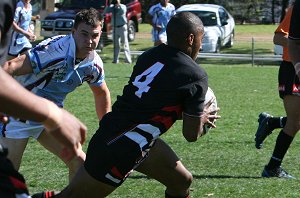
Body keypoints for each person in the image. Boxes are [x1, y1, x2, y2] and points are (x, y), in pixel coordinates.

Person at [39, 12, 220, 198]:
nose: (200, 44)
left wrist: (189, 112)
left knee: (181, 181)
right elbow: (191, 135)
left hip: (128, 137)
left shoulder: (149, 56)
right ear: (191, 39)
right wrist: (201, 116)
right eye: (201, 38)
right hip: (122, 148)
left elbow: (152, 103)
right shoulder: (195, 76)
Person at [0, 7, 111, 182]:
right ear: (73, 32)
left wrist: (107, 129)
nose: (89, 41)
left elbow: (101, 93)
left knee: (80, 164)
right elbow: (10, 67)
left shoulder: (94, 64)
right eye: (84, 34)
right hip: (18, 117)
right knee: (8, 178)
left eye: (95, 35)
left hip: (49, 119)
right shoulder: (54, 51)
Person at [256, 0, 300, 179]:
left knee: (296, 120)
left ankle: (272, 122)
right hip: (292, 69)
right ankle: (272, 167)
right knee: (295, 122)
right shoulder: (296, 10)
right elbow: (278, 38)